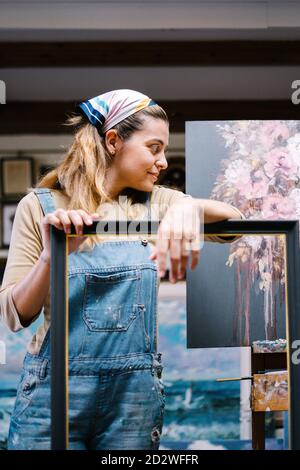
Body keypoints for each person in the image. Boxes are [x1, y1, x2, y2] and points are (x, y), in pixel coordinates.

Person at [0, 89, 245, 450]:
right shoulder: (40, 207)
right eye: (154, 147)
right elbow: (14, 313)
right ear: (113, 141)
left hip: (134, 398)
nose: (162, 162)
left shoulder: (159, 203)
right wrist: (52, 256)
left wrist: (188, 207)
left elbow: (236, 223)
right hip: (53, 393)